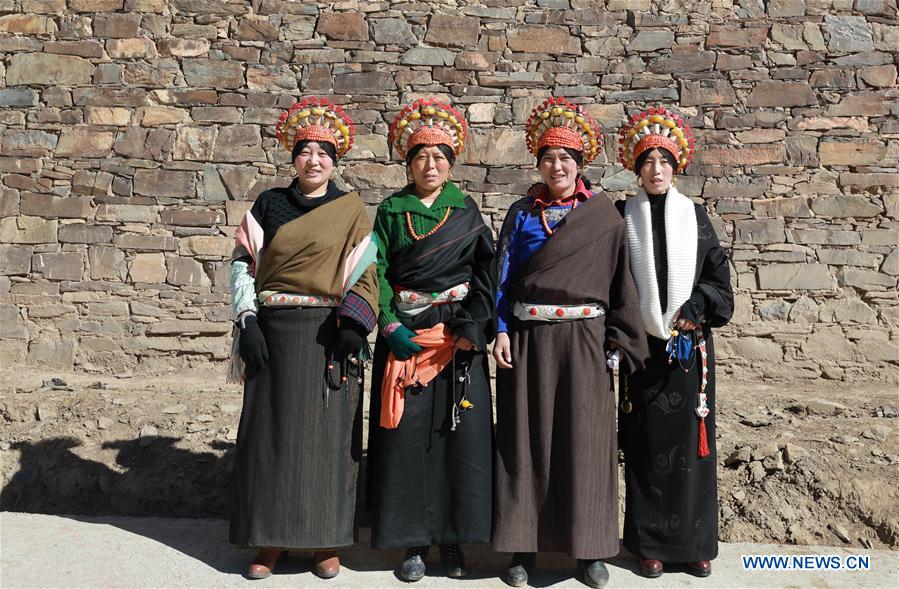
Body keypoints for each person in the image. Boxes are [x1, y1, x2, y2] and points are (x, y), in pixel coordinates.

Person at [492, 96, 648, 589]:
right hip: (528, 339)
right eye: (548, 157)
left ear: (580, 164)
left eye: (567, 158)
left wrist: (620, 342)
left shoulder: (605, 218)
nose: (557, 165)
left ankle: (590, 552)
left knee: (586, 443)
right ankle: (522, 549)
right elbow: (500, 280)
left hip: (585, 342)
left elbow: (623, 283)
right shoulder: (520, 215)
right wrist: (498, 330)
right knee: (525, 443)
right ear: (537, 162)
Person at [227, 97, 379, 580]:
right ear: (292, 156)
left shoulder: (352, 210)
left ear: (336, 160)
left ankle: (323, 542)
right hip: (272, 336)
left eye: (324, 152)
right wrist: (247, 321)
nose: (314, 160)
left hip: (327, 336)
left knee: (328, 441)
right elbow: (241, 264)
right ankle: (268, 541)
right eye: (305, 150)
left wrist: (354, 324)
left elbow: (367, 272)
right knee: (268, 440)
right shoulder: (268, 204)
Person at [367, 98, 496, 582]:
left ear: (451, 162)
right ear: (408, 162)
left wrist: (473, 327)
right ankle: (412, 543)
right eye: (421, 156)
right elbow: (373, 270)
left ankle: (455, 539)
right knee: (405, 438)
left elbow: (488, 272)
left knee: (456, 435)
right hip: (406, 335)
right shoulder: (390, 210)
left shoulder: (465, 210)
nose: (430, 164)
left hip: (456, 338)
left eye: (440, 156)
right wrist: (390, 325)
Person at [615, 106, 734, 578]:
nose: (656, 170)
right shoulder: (623, 218)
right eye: (648, 162)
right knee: (644, 447)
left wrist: (696, 308)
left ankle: (694, 544)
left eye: (664, 161)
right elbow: (615, 281)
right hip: (643, 351)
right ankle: (649, 545)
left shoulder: (695, 217)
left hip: (688, 356)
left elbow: (720, 284)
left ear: (676, 166)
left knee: (693, 450)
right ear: (637, 168)